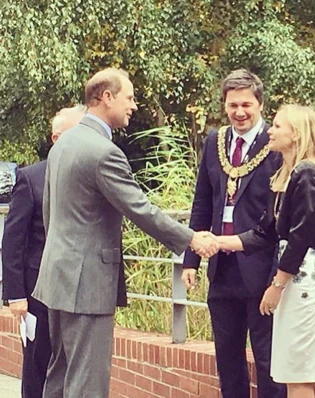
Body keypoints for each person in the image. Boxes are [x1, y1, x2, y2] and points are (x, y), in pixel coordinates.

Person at [31, 68, 217, 398]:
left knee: (59, 375)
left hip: (57, 277)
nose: (133, 105)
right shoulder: (104, 153)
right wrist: (190, 238)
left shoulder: (65, 143)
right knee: (87, 382)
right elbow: (140, 209)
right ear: (107, 97)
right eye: (129, 98)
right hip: (86, 284)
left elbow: (50, 212)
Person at [207, 104, 315, 398]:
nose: (270, 130)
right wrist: (218, 242)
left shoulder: (307, 174)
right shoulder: (288, 173)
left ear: (296, 134)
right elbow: (266, 232)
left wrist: (277, 285)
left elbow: (300, 239)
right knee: (291, 369)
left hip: (302, 282)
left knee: (297, 371)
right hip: (294, 280)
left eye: (277, 126)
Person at [180, 69, 286, 398]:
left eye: (246, 105)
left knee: (268, 358)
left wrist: (276, 278)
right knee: (227, 358)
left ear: (260, 105)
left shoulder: (277, 142)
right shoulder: (216, 140)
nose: (239, 112)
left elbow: (278, 217)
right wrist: (191, 260)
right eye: (232, 105)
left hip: (260, 267)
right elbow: (203, 202)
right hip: (222, 267)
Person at [1, 105, 85, 398]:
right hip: (37, 295)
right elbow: (13, 240)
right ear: (55, 138)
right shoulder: (31, 178)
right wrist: (15, 294)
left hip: (78, 291)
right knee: (39, 366)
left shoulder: (88, 175)